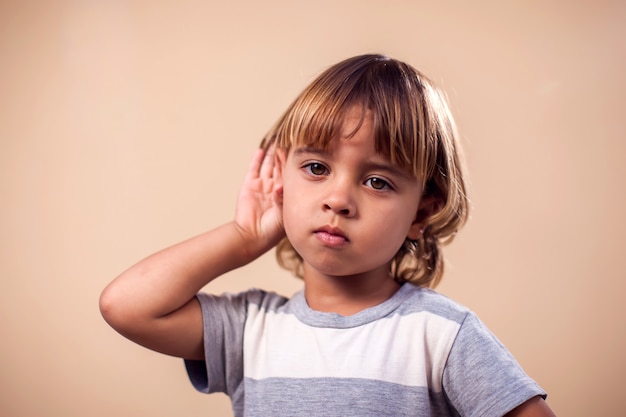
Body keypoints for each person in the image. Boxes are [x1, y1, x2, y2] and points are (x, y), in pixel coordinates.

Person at [100, 54, 555, 417]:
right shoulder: (250, 330)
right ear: (281, 179)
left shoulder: (442, 335)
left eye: (378, 181)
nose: (338, 199)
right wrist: (243, 236)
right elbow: (127, 306)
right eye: (316, 168)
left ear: (422, 212)